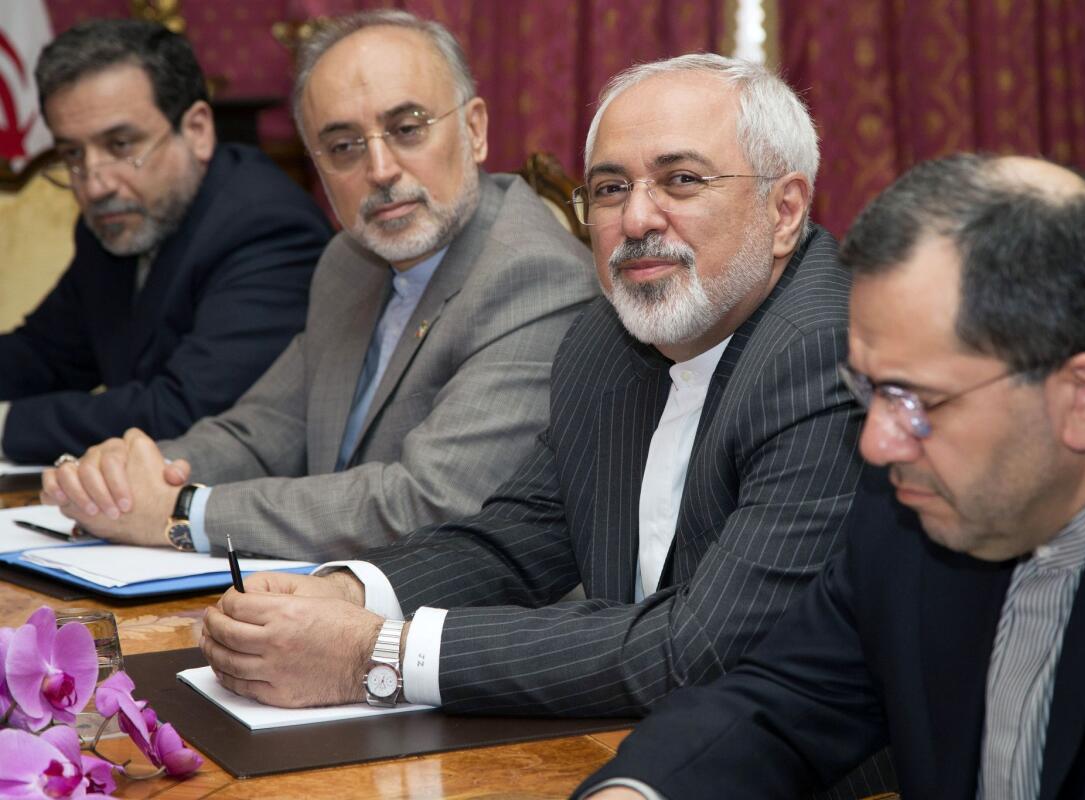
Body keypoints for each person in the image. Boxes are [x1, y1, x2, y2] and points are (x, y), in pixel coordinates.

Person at [197, 52, 895, 798]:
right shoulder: (611, 335)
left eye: (682, 181)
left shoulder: (831, 353)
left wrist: (381, 654)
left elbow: (701, 650)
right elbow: (520, 536)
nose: (636, 219)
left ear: (785, 210)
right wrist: (348, 592)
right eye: (610, 187)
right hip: (603, 746)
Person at [575, 154, 1085, 800]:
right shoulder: (916, 500)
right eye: (867, 388)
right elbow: (784, 700)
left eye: (914, 398)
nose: (875, 442)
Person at [40, 10, 597, 561]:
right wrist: (121, 480)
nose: (380, 169)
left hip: (465, 631)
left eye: (407, 129)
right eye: (344, 146)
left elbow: (427, 503)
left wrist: (182, 512)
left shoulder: (535, 279)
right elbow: (263, 431)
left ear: (474, 129)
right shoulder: (350, 260)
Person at [0, 19, 330, 464]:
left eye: (120, 145)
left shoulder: (269, 228)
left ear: (196, 130)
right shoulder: (114, 221)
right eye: (73, 155)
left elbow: (185, 411)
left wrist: (6, 425)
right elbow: (44, 354)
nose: (95, 185)